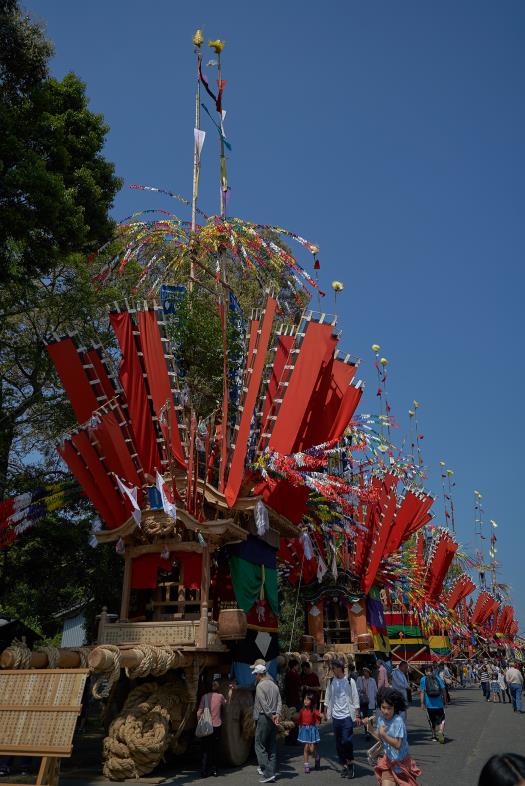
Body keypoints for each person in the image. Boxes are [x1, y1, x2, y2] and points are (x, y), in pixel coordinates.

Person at [366, 688, 421, 786]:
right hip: (388, 763)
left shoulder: (398, 721)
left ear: (395, 707)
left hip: (402, 765)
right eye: (383, 707)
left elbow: (398, 744)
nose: (386, 711)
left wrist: (384, 735)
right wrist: (370, 729)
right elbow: (381, 739)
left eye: (389, 708)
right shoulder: (381, 719)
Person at [324, 658, 361, 779]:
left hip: (346, 716)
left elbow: (355, 697)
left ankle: (350, 764)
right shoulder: (331, 681)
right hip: (336, 716)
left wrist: (357, 714)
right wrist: (325, 711)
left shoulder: (350, 681)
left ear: (339, 668)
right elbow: (327, 696)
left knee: (347, 741)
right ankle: (344, 765)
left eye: (333, 668)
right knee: (339, 744)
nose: (332, 670)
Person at [252, 662, 282, 784]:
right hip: (274, 716)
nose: (255, 677)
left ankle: (267, 771)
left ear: (260, 674)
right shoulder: (274, 685)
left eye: (256, 675)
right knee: (272, 746)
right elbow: (280, 701)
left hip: (265, 717)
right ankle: (272, 771)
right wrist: (277, 715)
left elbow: (263, 704)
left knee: (259, 744)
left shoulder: (260, 686)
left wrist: (270, 715)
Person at [196, 678, 226, 778]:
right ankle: (215, 770)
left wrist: (200, 722)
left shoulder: (204, 697)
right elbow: (226, 704)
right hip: (217, 726)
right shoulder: (220, 696)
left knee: (205, 749)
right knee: (215, 749)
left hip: (206, 726)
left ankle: (204, 771)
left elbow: (199, 712)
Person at [419, 665, 446, 743]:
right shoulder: (437, 678)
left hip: (429, 705)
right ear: (432, 671)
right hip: (439, 704)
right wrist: (445, 700)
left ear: (425, 671)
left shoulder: (423, 679)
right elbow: (443, 690)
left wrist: (422, 703)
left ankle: (434, 736)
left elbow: (422, 692)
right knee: (442, 719)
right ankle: (440, 731)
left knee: (431, 720)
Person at [296, 692, 321, 774]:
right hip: (304, 730)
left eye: (308, 699)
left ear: (312, 701)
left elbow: (319, 715)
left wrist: (323, 716)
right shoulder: (302, 710)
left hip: (312, 730)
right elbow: (299, 720)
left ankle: (317, 757)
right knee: (306, 748)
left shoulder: (314, 710)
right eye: (305, 699)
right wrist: (298, 725)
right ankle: (306, 765)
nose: (306, 701)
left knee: (312, 749)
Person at [356, 666, 378, 738]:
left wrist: (376, 701)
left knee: (370, 717)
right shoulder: (360, 679)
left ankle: (370, 731)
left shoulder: (372, 680)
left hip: (371, 701)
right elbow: (356, 689)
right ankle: (367, 732)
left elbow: (375, 691)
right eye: (364, 671)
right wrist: (361, 690)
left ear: (369, 672)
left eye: (366, 671)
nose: (365, 673)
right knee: (365, 718)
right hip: (363, 701)